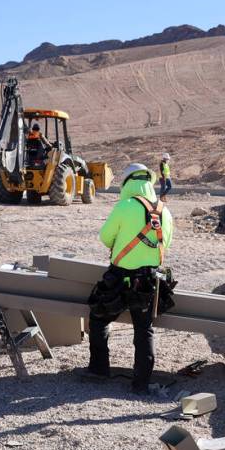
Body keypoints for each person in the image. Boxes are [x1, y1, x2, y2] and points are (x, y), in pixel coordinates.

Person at [86, 163, 175, 394]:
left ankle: (99, 369)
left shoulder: (124, 206)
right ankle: (141, 383)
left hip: (119, 279)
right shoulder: (165, 211)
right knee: (144, 330)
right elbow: (167, 243)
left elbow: (106, 238)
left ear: (127, 183)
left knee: (99, 318)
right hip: (149, 281)